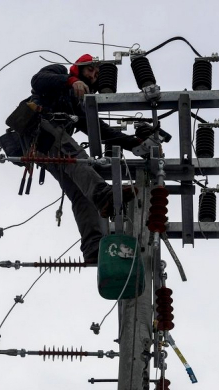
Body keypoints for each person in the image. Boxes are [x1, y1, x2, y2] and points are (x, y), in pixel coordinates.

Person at [8, 54, 142, 263]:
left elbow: (100, 130)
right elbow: (38, 80)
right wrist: (71, 80)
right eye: (90, 70)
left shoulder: (76, 106)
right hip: (40, 130)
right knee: (78, 158)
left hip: (47, 147)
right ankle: (102, 194)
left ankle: (93, 247)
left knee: (81, 192)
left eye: (96, 74)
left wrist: (134, 143)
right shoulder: (59, 73)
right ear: (77, 68)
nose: (93, 76)